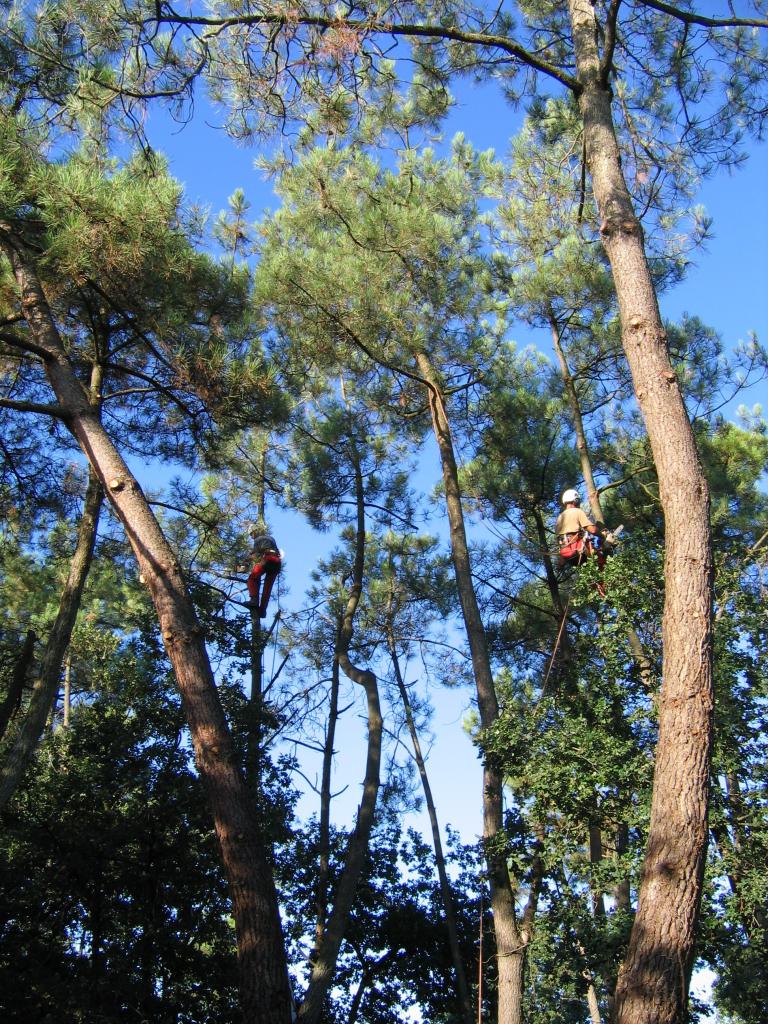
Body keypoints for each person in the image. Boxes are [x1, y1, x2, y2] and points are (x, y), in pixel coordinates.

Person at [555, 489, 601, 568]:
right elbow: (593, 530)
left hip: (567, 555)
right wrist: (602, 536)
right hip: (579, 550)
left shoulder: (559, 518)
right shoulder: (577, 511)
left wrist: (592, 502)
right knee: (602, 560)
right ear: (575, 501)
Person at [246, 532, 282, 618]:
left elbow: (254, 555)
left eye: (251, 535)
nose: (252, 537)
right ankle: (262, 611)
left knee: (252, 578)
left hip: (268, 559)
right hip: (277, 562)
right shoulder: (271, 539)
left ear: (255, 533)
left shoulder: (258, 540)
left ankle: (254, 599)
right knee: (267, 588)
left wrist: (245, 562)